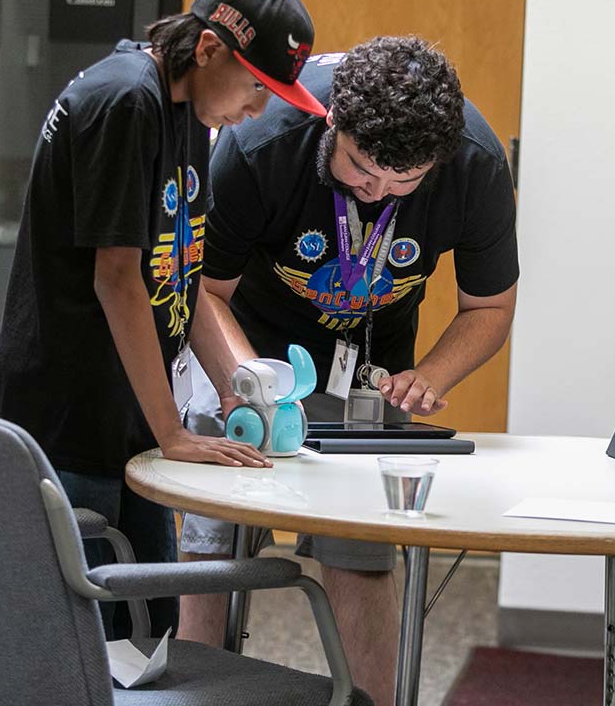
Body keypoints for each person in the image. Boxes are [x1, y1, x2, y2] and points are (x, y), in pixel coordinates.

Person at [0, 0, 327, 639]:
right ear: (207, 50)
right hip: (73, 415)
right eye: (256, 86)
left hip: (130, 417)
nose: (259, 111)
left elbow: (182, 273)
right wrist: (172, 429)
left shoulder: (187, 114)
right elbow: (116, 278)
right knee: (86, 643)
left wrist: (238, 392)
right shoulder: (125, 102)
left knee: (151, 631)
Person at [179, 35, 519, 703]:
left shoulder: (475, 164)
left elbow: (489, 306)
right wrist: (250, 382)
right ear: (334, 123)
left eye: (403, 183)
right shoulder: (262, 142)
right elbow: (203, 292)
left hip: (368, 363)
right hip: (244, 346)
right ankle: (194, 692)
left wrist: (431, 376)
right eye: (361, 170)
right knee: (213, 543)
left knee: (359, 555)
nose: (375, 192)